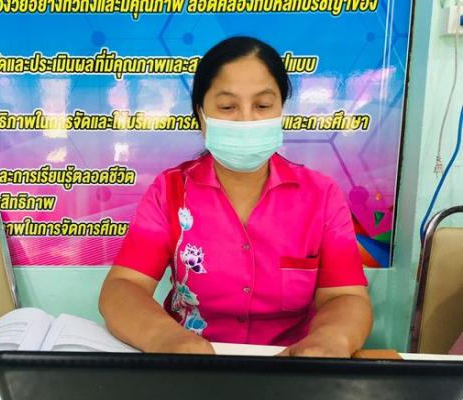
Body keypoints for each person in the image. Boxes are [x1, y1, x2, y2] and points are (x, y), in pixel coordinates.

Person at [99, 36, 372, 358]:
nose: (246, 120)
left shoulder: (320, 195)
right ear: (201, 116)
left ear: (281, 111)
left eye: (263, 106)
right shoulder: (170, 191)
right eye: (227, 107)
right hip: (191, 366)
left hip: (293, 367)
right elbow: (124, 287)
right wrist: (166, 339)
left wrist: (330, 341)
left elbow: (345, 297)